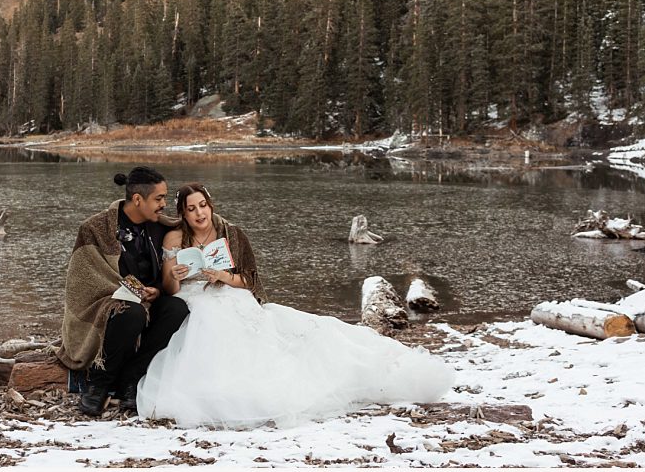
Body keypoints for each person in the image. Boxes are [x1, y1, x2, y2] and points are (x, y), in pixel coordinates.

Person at [136, 183, 454, 428]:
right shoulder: (174, 239)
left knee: (253, 321)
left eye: (203, 205)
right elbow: (169, 288)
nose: (199, 213)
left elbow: (249, 280)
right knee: (207, 320)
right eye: (191, 209)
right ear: (183, 212)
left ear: (210, 206)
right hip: (193, 297)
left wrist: (222, 275)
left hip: (228, 291)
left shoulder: (229, 233)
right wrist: (176, 273)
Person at [59, 167, 190, 416]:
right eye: (159, 198)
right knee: (132, 312)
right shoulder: (96, 228)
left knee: (178, 309)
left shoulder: (161, 228)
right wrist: (126, 294)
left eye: (165, 197)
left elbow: (202, 225)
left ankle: (133, 376)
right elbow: (82, 280)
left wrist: (158, 290)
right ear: (138, 199)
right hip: (111, 303)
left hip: (149, 302)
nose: (164, 204)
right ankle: (99, 384)